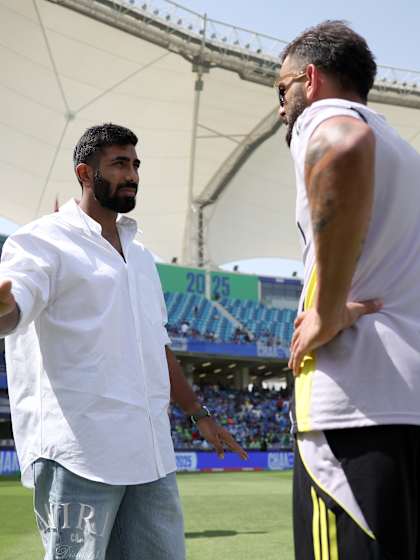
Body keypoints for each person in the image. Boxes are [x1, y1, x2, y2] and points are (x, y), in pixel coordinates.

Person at [0, 123, 246, 560]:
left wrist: (197, 412)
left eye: (135, 164)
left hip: (150, 453)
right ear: (84, 172)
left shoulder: (141, 255)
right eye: (118, 164)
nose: (132, 174)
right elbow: (15, 306)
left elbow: (157, 342)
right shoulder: (41, 240)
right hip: (77, 452)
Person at [276, 21, 420, 560]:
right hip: (406, 405)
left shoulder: (325, 117)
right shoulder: (403, 151)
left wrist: (328, 310)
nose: (281, 108)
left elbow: (342, 143)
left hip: (349, 404)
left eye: (281, 89)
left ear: (309, 79)